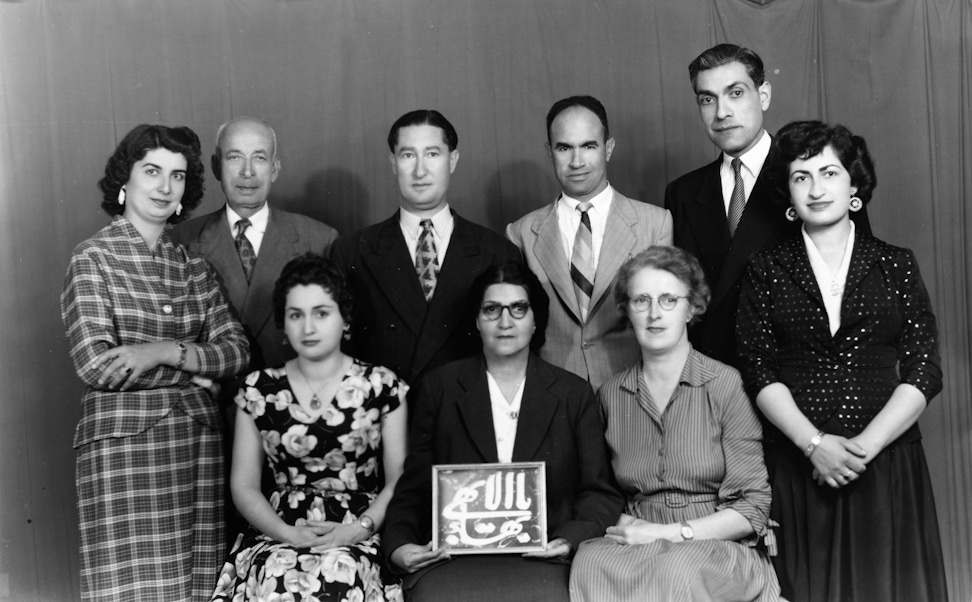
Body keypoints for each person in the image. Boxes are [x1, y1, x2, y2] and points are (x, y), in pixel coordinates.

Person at [737, 121, 948, 602]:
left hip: (886, 464)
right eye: (801, 176)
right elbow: (757, 368)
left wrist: (863, 449)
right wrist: (814, 445)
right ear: (788, 195)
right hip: (798, 466)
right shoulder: (766, 270)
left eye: (829, 173)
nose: (816, 188)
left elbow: (924, 370)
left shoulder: (896, 263)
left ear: (854, 185)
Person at [60, 124, 250, 601]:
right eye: (152, 171)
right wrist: (195, 375)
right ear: (125, 179)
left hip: (197, 449)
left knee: (201, 587)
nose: (165, 187)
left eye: (178, 176)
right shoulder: (92, 260)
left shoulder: (194, 268)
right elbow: (97, 366)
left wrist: (160, 352)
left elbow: (236, 352)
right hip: (124, 450)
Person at [382, 262, 622, 601]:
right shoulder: (440, 388)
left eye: (519, 309)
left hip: (546, 560)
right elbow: (414, 489)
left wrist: (568, 541)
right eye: (492, 309)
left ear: (536, 319)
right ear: (477, 320)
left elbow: (599, 492)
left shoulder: (573, 393)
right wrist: (400, 547)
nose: (505, 322)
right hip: (453, 562)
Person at [570, 246, 779, 601]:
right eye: (641, 301)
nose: (654, 314)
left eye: (669, 299)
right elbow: (602, 493)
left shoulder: (726, 384)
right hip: (636, 536)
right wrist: (635, 530)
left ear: (692, 308)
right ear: (626, 311)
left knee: (675, 570)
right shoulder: (611, 394)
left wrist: (668, 534)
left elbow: (752, 507)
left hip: (714, 541)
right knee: (589, 560)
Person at [211, 253, 407, 601]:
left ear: (345, 319)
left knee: (340, 578)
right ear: (283, 325)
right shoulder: (258, 389)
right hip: (279, 528)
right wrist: (286, 533)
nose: (308, 328)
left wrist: (356, 531)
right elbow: (243, 484)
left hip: (359, 527)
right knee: (279, 575)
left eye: (321, 313)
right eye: (295, 315)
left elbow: (398, 481)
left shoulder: (381, 385)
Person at [665, 43, 871, 368]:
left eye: (735, 93)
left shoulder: (817, 177)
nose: (721, 112)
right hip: (714, 385)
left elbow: (859, 290)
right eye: (708, 99)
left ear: (763, 95)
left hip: (802, 381)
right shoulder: (682, 192)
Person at [331, 110, 521, 396]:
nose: (420, 170)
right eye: (408, 155)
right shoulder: (351, 251)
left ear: (452, 160)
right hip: (384, 418)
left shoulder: (497, 251)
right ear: (393, 163)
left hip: (467, 419)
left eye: (432, 154)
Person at [506, 95, 672, 390]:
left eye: (589, 146)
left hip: (635, 392)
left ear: (608, 148)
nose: (577, 161)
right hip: (553, 395)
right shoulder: (520, 232)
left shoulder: (655, 224)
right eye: (564, 148)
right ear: (549, 152)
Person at [173, 116, 338, 372]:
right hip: (210, 403)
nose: (247, 171)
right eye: (234, 157)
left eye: (259, 158)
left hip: (290, 400)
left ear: (275, 169)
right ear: (216, 166)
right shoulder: (181, 240)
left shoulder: (320, 239)